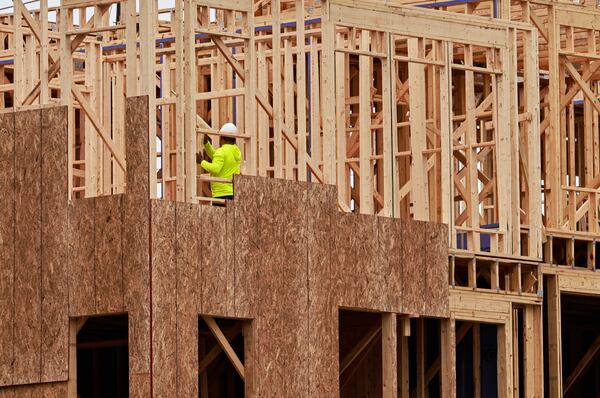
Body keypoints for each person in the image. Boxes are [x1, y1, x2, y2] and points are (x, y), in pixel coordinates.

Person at [199, 122, 242, 200]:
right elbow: (218, 158)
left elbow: (215, 169)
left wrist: (202, 162)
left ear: (222, 137)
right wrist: (207, 145)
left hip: (221, 193)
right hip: (233, 192)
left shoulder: (221, 151)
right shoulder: (236, 151)